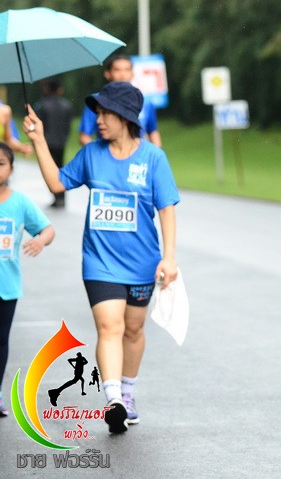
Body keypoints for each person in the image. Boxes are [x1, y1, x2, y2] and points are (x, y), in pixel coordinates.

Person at [24, 81, 179, 434]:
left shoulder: (153, 158)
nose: (98, 120)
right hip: (100, 262)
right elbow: (57, 184)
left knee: (134, 329)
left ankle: (128, 390)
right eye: (98, 113)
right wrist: (39, 141)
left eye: (106, 113)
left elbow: (167, 210)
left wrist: (169, 257)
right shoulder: (91, 154)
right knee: (110, 326)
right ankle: (114, 401)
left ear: (126, 117)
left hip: (142, 262)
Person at [0, 141, 55, 417]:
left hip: (6, 288)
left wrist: (40, 241)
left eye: (1, 164)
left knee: (0, 340)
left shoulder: (20, 202)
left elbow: (48, 230)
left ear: (11, 169)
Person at [78, 55, 162, 147]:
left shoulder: (145, 101)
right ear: (107, 73)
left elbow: (153, 132)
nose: (122, 74)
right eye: (117, 70)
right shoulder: (96, 101)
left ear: (132, 73)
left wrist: (155, 153)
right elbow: (85, 136)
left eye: (127, 70)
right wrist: (99, 154)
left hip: (137, 153)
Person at [34, 78, 73, 208]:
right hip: (61, 141)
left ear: (47, 89)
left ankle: (56, 196)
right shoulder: (67, 105)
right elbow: (68, 125)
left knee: (49, 168)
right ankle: (61, 197)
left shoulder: (42, 104)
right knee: (60, 167)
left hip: (47, 141)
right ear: (59, 90)